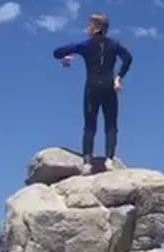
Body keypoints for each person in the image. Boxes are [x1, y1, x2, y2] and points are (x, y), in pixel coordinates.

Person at [53, 13, 133, 174]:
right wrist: (119, 77)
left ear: (96, 28)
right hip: (109, 87)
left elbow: (57, 53)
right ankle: (109, 160)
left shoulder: (85, 45)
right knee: (111, 125)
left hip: (92, 88)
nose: (87, 29)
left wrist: (70, 54)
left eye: (89, 26)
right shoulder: (114, 44)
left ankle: (87, 163)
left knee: (90, 125)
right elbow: (128, 58)